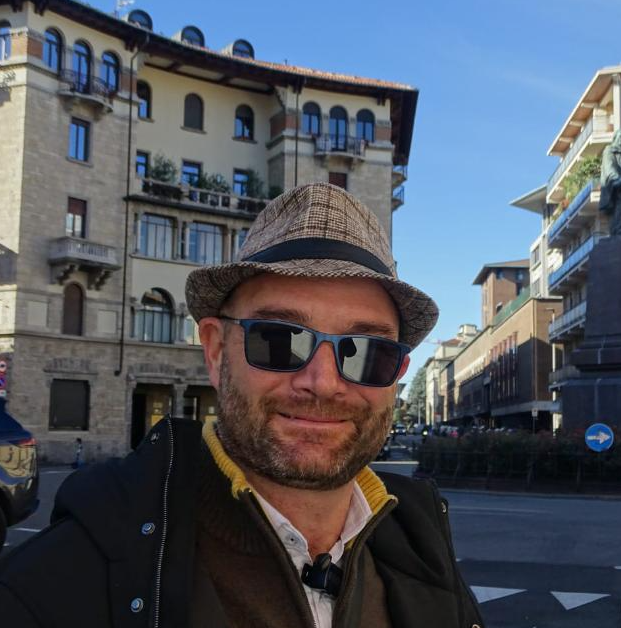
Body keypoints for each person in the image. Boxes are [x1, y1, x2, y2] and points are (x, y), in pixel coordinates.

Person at [0, 183, 484, 628]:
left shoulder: (425, 551)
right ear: (215, 351)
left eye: (367, 353)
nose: (323, 383)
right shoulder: (49, 589)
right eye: (279, 340)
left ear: (397, 374)